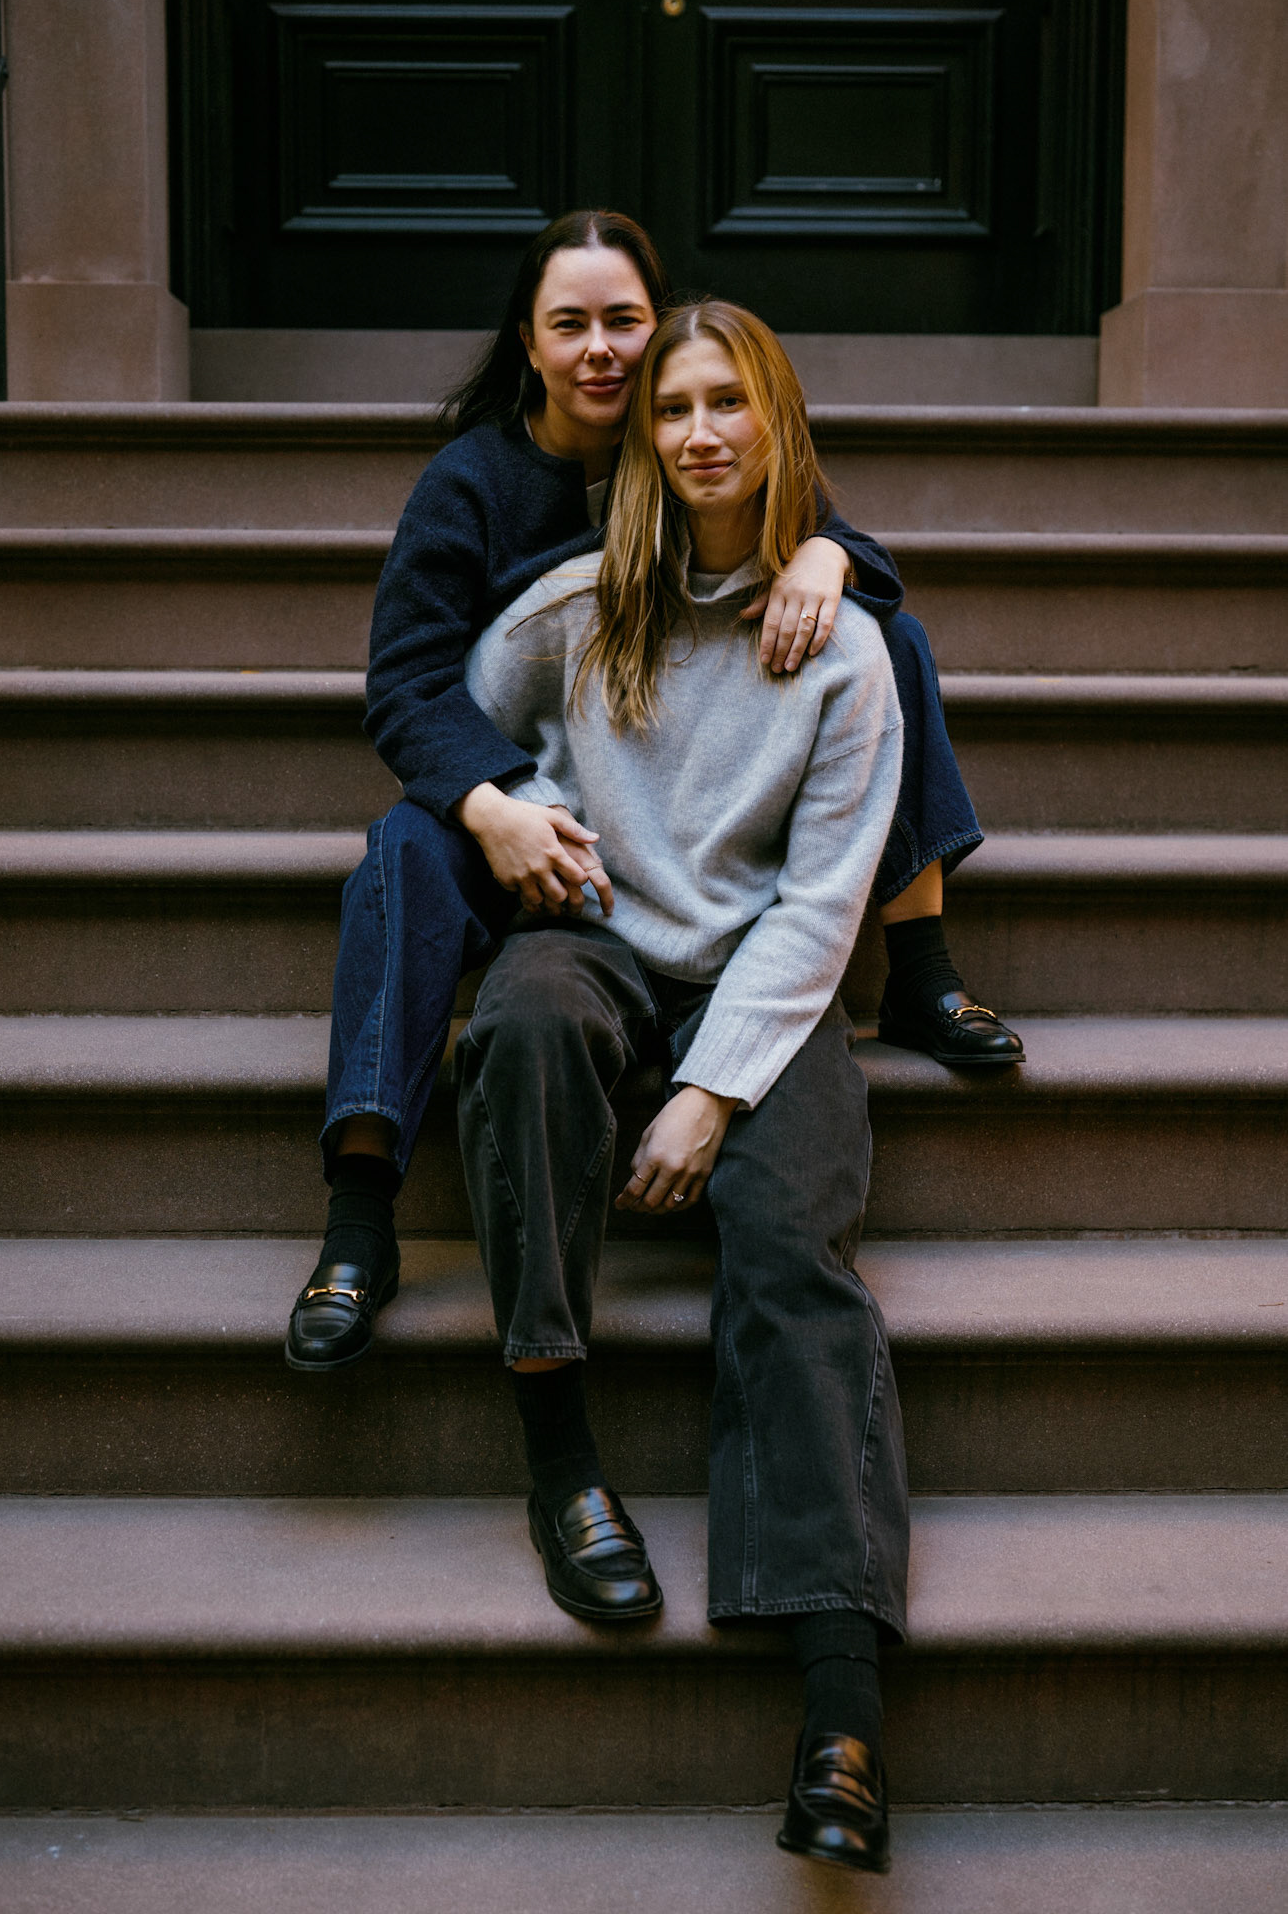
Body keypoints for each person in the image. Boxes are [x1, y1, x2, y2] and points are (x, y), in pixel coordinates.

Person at [285, 207, 1018, 1376]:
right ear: (528, 342)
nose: (602, 351)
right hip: (517, 785)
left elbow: (813, 532)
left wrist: (833, 557)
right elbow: (409, 683)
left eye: (625, 321)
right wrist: (494, 800)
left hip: (664, 787)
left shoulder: (687, 426)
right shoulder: (472, 482)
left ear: (660, 323)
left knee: (893, 639)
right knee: (400, 853)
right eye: (568, 325)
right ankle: (359, 1215)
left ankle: (922, 968)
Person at [456, 298, 909, 1873]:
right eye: (672, 408)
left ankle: (838, 1715)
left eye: (731, 403)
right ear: (639, 439)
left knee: (792, 1257)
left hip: (762, 996)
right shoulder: (577, 610)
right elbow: (453, 710)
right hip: (592, 949)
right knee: (515, 1027)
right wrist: (505, 810)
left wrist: (711, 1092)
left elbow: (822, 904)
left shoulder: (846, 651)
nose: (702, 431)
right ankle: (559, 1456)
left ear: (776, 423)